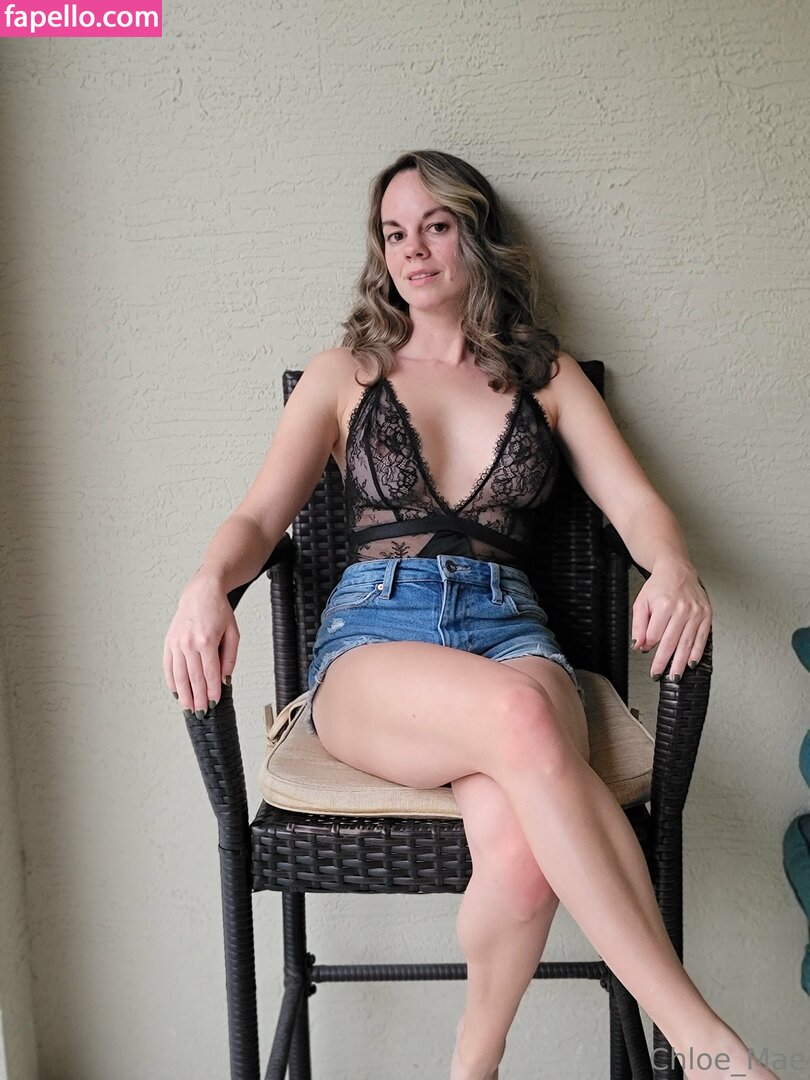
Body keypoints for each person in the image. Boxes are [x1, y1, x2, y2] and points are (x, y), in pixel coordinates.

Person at [163, 150, 777, 1080]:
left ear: (476, 236)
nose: (412, 249)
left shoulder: (545, 376)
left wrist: (676, 567)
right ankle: (705, 1047)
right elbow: (257, 519)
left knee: (523, 856)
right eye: (394, 233)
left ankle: (472, 1067)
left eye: (436, 226)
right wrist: (206, 583)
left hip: (512, 630)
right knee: (524, 718)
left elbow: (636, 504)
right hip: (377, 636)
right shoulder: (344, 375)